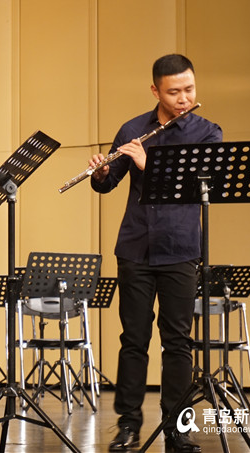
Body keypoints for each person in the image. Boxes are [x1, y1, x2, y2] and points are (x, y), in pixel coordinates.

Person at [88, 54, 222, 453]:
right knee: (133, 339)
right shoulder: (133, 129)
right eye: (174, 91)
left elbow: (203, 187)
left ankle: (177, 428)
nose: (184, 98)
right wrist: (101, 172)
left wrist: (150, 166)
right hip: (136, 248)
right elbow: (107, 184)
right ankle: (128, 425)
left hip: (181, 248)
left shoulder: (206, 133)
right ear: (155, 91)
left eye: (189, 89)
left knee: (177, 341)